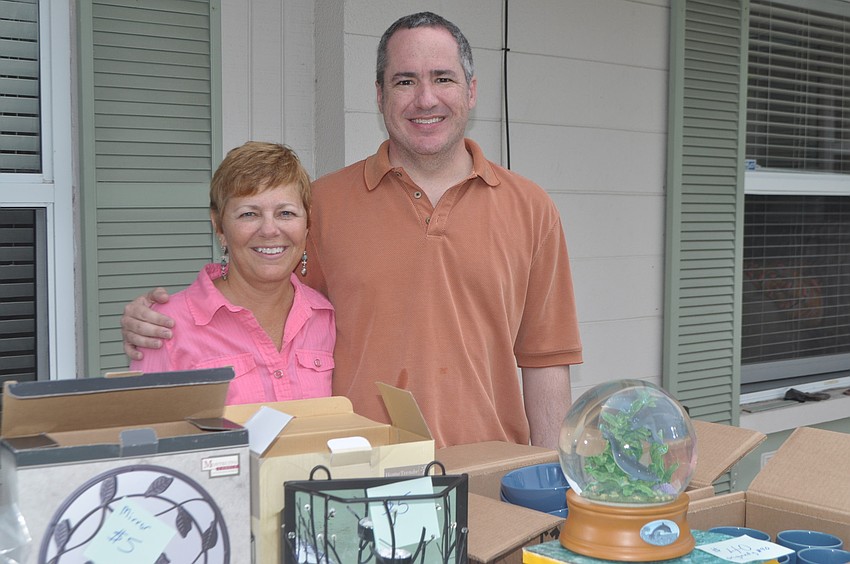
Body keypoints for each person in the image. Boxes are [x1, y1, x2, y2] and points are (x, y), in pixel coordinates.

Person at [121, 12, 581, 449]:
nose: (425, 98)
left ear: (471, 90)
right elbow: (260, 310)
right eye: (405, 81)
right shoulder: (321, 206)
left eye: (443, 78)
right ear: (379, 95)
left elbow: (545, 360)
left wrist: (548, 484)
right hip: (355, 478)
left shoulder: (531, 208)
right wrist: (163, 323)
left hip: (492, 473)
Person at [129, 141, 336, 405]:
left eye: (286, 213)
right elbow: (147, 436)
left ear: (306, 224)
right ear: (219, 226)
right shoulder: (166, 328)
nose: (270, 230)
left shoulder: (323, 317)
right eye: (249, 214)